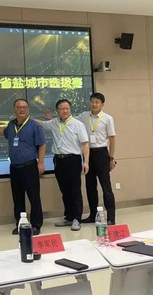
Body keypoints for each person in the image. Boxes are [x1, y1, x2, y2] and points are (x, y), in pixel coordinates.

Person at [0, 99, 46, 236]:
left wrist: (41, 163)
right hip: (15, 167)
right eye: (19, 107)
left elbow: (42, 144)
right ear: (14, 110)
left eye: (24, 107)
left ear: (28, 109)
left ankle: (36, 225)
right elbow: (4, 133)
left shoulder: (34, 125)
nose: (21, 109)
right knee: (17, 198)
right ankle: (20, 224)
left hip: (30, 166)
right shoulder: (11, 124)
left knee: (34, 197)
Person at [36, 99, 89, 231]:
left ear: (70, 110)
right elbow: (42, 124)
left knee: (75, 191)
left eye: (67, 109)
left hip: (73, 160)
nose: (65, 111)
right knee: (65, 191)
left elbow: (85, 144)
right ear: (57, 111)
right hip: (59, 160)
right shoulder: (54, 122)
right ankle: (69, 217)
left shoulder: (78, 124)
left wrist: (86, 162)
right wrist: (27, 118)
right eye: (62, 109)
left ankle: (77, 218)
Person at [76, 93, 117, 225]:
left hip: (102, 153)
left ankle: (111, 217)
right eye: (92, 102)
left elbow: (112, 138)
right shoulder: (84, 116)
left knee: (106, 186)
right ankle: (93, 215)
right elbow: (71, 121)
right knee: (90, 186)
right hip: (88, 154)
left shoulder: (107, 119)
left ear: (102, 104)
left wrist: (111, 158)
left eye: (97, 102)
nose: (94, 104)